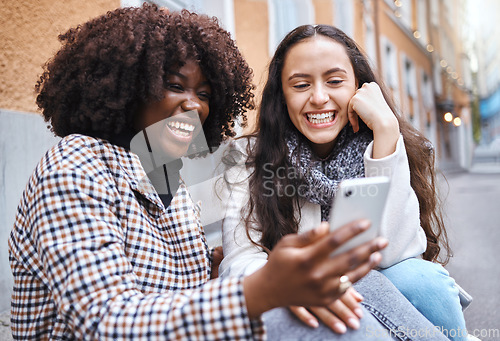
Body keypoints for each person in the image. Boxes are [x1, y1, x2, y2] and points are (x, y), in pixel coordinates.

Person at [8, 6, 392, 340]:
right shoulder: (76, 166)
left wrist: (223, 263)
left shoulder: (164, 176)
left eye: (205, 94)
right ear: (127, 87)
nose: (194, 105)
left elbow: (173, 288)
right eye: (175, 86)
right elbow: (104, 321)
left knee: (361, 287)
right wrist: (259, 290)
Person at [220, 24, 468, 340]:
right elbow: (240, 260)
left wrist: (386, 133)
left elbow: (398, 253)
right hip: (293, 296)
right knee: (363, 291)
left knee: (422, 280)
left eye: (335, 81)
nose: (319, 98)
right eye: (300, 85)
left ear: (358, 87)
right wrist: (295, 283)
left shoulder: (381, 142)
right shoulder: (248, 156)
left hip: (376, 284)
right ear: (281, 95)